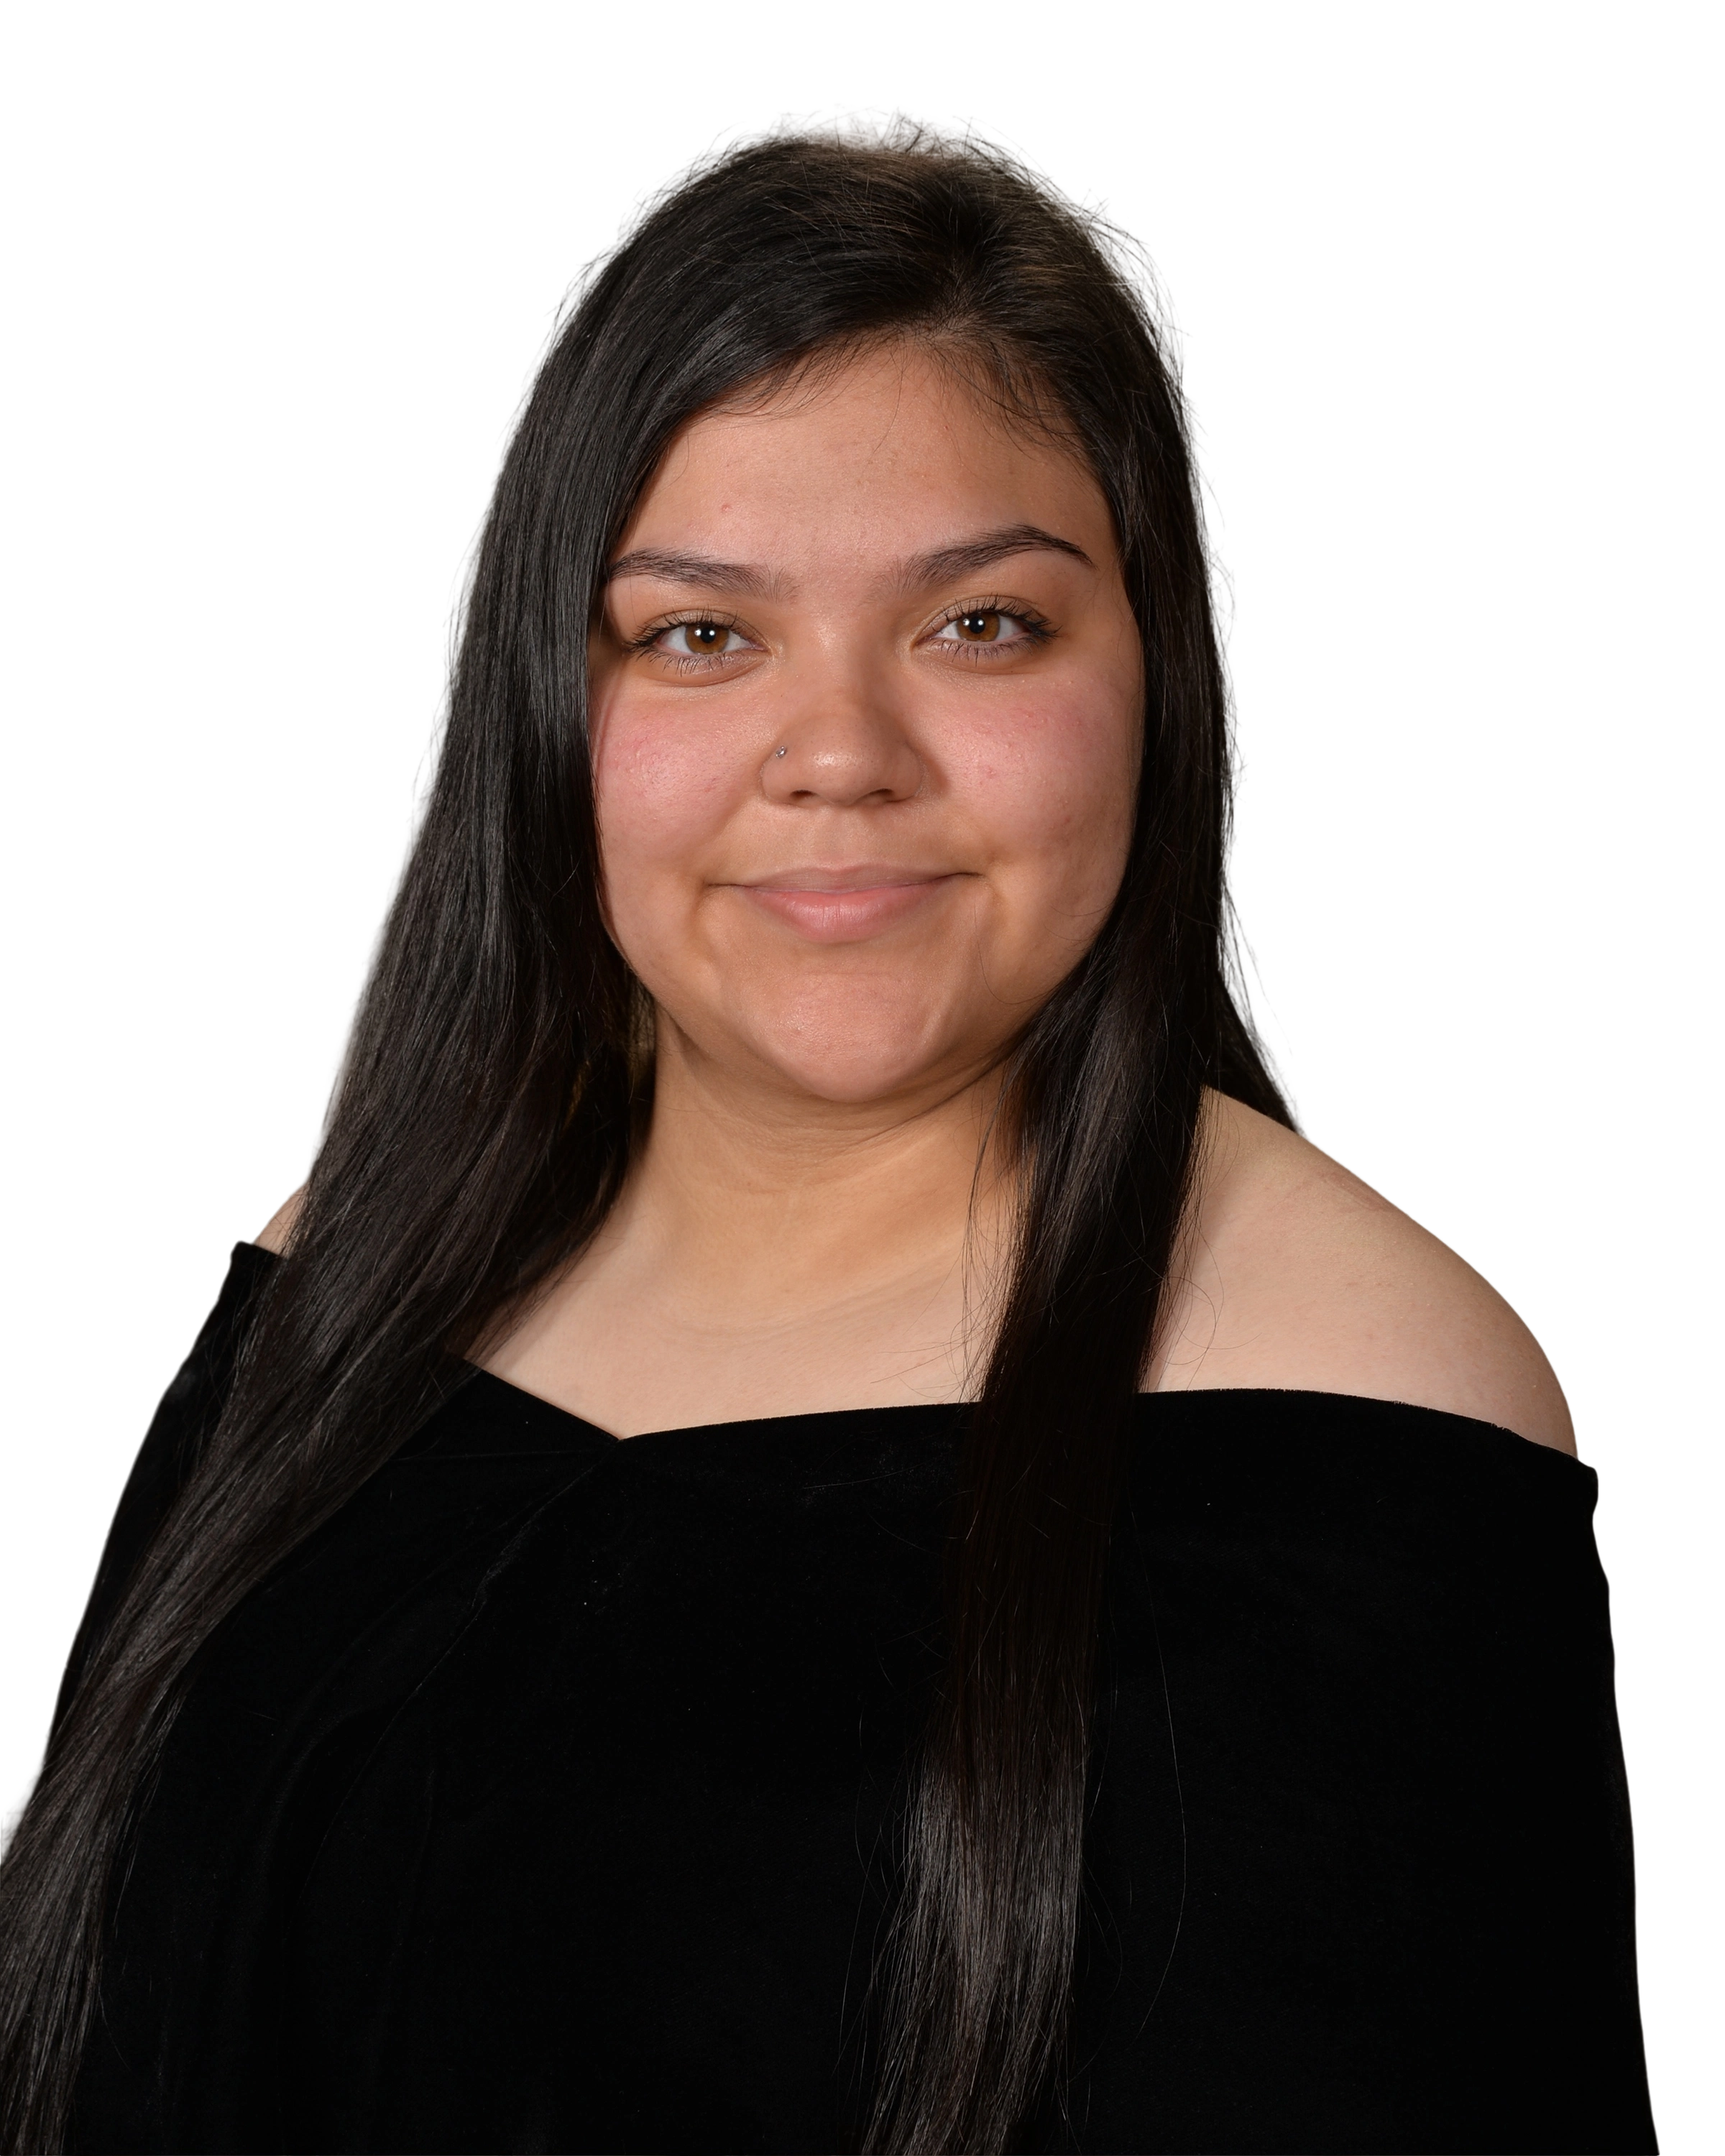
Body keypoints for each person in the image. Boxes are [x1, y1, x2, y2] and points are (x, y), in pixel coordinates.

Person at [0, 104, 1651, 2155]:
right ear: (549, 708)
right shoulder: (361, 1256)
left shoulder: (1362, 1421)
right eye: (702, 634)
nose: (840, 756)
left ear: (1161, 674)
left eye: (981, 624)